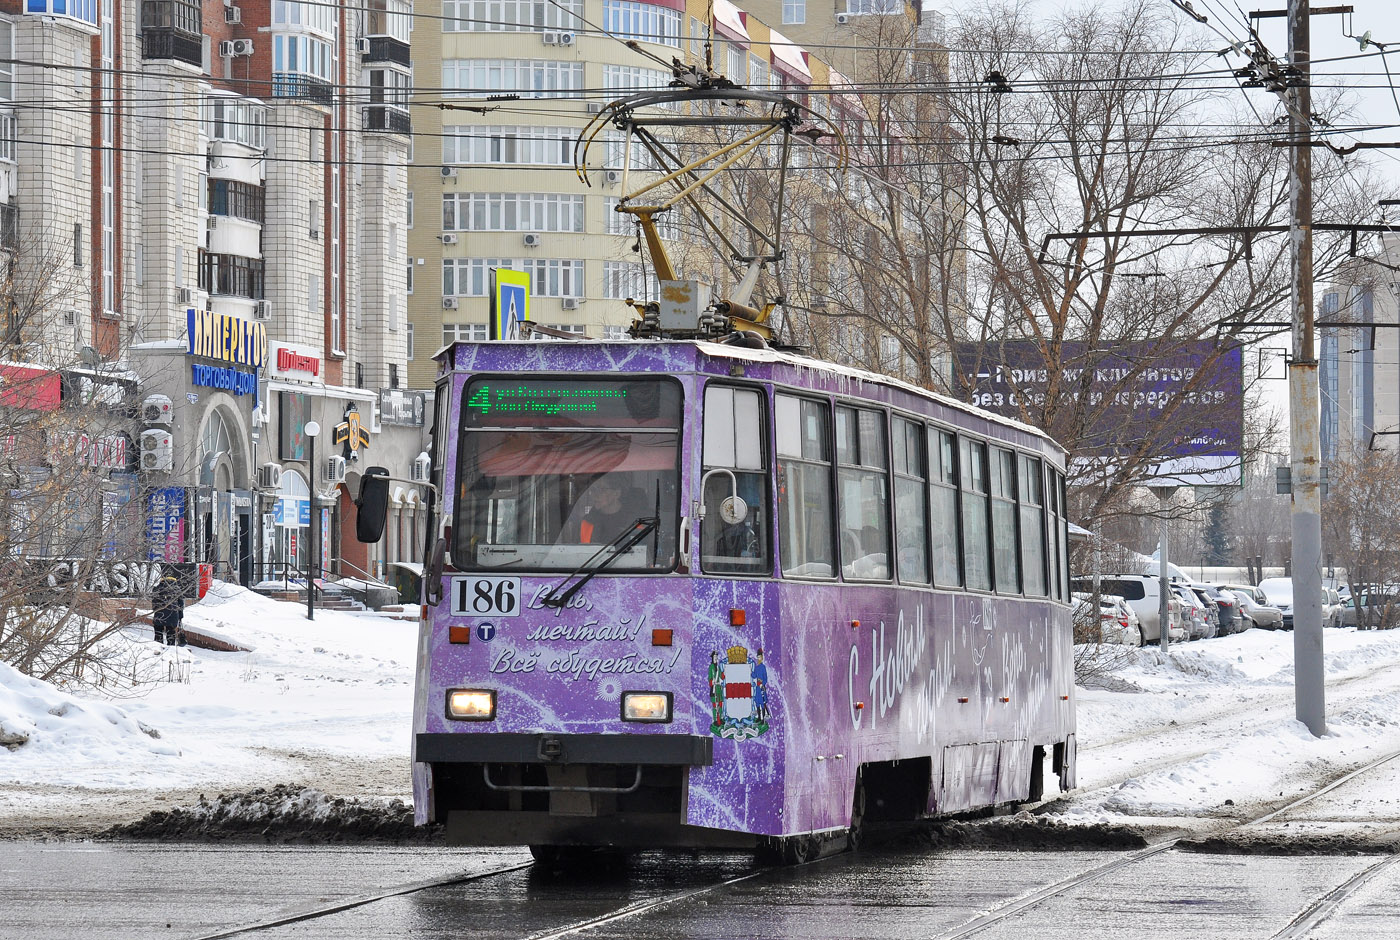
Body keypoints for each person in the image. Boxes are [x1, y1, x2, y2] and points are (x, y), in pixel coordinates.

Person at [563, 475, 634, 544]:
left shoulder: (634, 521)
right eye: (593, 490)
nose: (595, 494)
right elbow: (575, 552)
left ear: (617, 493)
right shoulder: (586, 523)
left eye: (602, 489)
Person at [152, 571, 186, 647]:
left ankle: (158, 647)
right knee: (171, 633)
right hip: (173, 614)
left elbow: (154, 602)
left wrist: (155, 610)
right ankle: (171, 648)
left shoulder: (157, 588)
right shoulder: (177, 589)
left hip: (159, 614)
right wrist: (180, 616)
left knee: (158, 632)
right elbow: (181, 604)